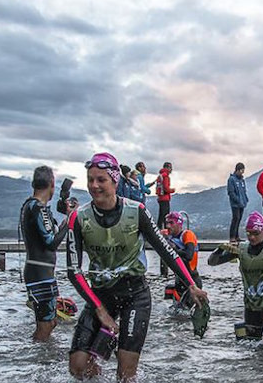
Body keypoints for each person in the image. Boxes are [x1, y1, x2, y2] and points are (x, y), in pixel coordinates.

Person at [66, 153, 208, 381]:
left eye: (101, 179)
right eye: (90, 179)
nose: (94, 185)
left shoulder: (136, 210)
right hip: (100, 296)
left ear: (115, 181)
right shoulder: (79, 218)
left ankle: (113, 342)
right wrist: (100, 311)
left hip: (135, 295)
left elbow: (166, 250)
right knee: (79, 367)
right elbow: (73, 271)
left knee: (125, 373)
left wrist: (190, 284)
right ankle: (105, 343)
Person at [208, 212, 263, 341]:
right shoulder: (241, 249)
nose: (252, 237)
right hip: (252, 308)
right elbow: (212, 262)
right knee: (250, 347)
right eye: (249, 233)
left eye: (256, 234)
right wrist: (220, 249)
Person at [19, 166, 72, 341]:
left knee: (51, 322)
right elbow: (51, 242)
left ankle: (41, 356)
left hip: (40, 271)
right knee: (46, 325)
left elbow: (50, 232)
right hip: (40, 273)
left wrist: (64, 218)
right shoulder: (37, 208)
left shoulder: (31, 206)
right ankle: (36, 357)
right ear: (52, 184)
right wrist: (69, 220)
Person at [161, 212, 201, 308]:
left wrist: (173, 248)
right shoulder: (169, 238)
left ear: (179, 224)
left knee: (185, 310)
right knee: (175, 313)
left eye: (171, 223)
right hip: (179, 281)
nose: (168, 226)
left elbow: (189, 255)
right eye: (167, 223)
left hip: (192, 280)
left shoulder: (187, 235)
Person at [227, 162, 249, 242]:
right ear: (238, 170)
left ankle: (237, 236)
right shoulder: (231, 179)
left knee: (239, 219)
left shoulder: (242, 180)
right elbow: (231, 192)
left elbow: (244, 191)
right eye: (242, 171)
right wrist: (237, 200)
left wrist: (245, 199)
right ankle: (232, 236)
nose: (242, 172)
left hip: (242, 203)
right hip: (235, 204)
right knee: (235, 218)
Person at [155, 162, 175, 229]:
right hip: (165, 198)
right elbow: (166, 188)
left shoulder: (160, 176)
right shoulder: (165, 176)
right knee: (166, 216)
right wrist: (172, 190)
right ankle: (166, 231)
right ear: (166, 168)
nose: (171, 169)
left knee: (161, 215)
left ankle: (159, 229)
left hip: (160, 198)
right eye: (170, 167)